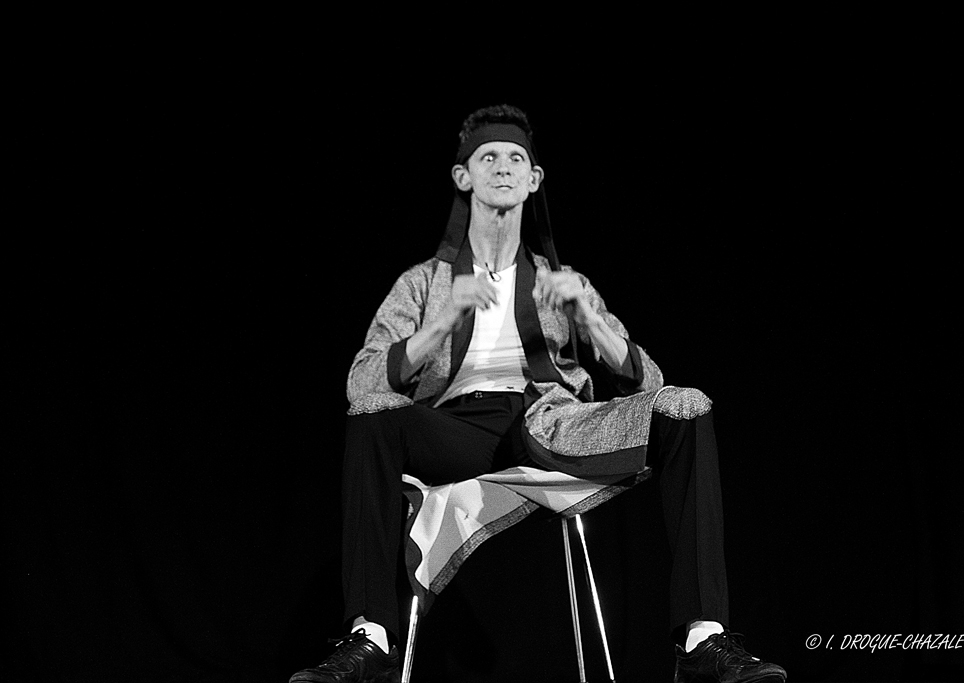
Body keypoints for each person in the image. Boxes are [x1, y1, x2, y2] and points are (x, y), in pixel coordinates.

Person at [288, 105, 786, 683]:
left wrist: (590, 320)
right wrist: (442, 322)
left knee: (686, 406)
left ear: (534, 179)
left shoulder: (560, 279)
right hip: (457, 431)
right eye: (488, 157)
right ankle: (370, 639)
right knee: (373, 418)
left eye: (516, 158)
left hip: (549, 421)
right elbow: (361, 384)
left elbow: (649, 383)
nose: (503, 167)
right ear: (463, 176)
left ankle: (702, 638)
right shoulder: (422, 283)